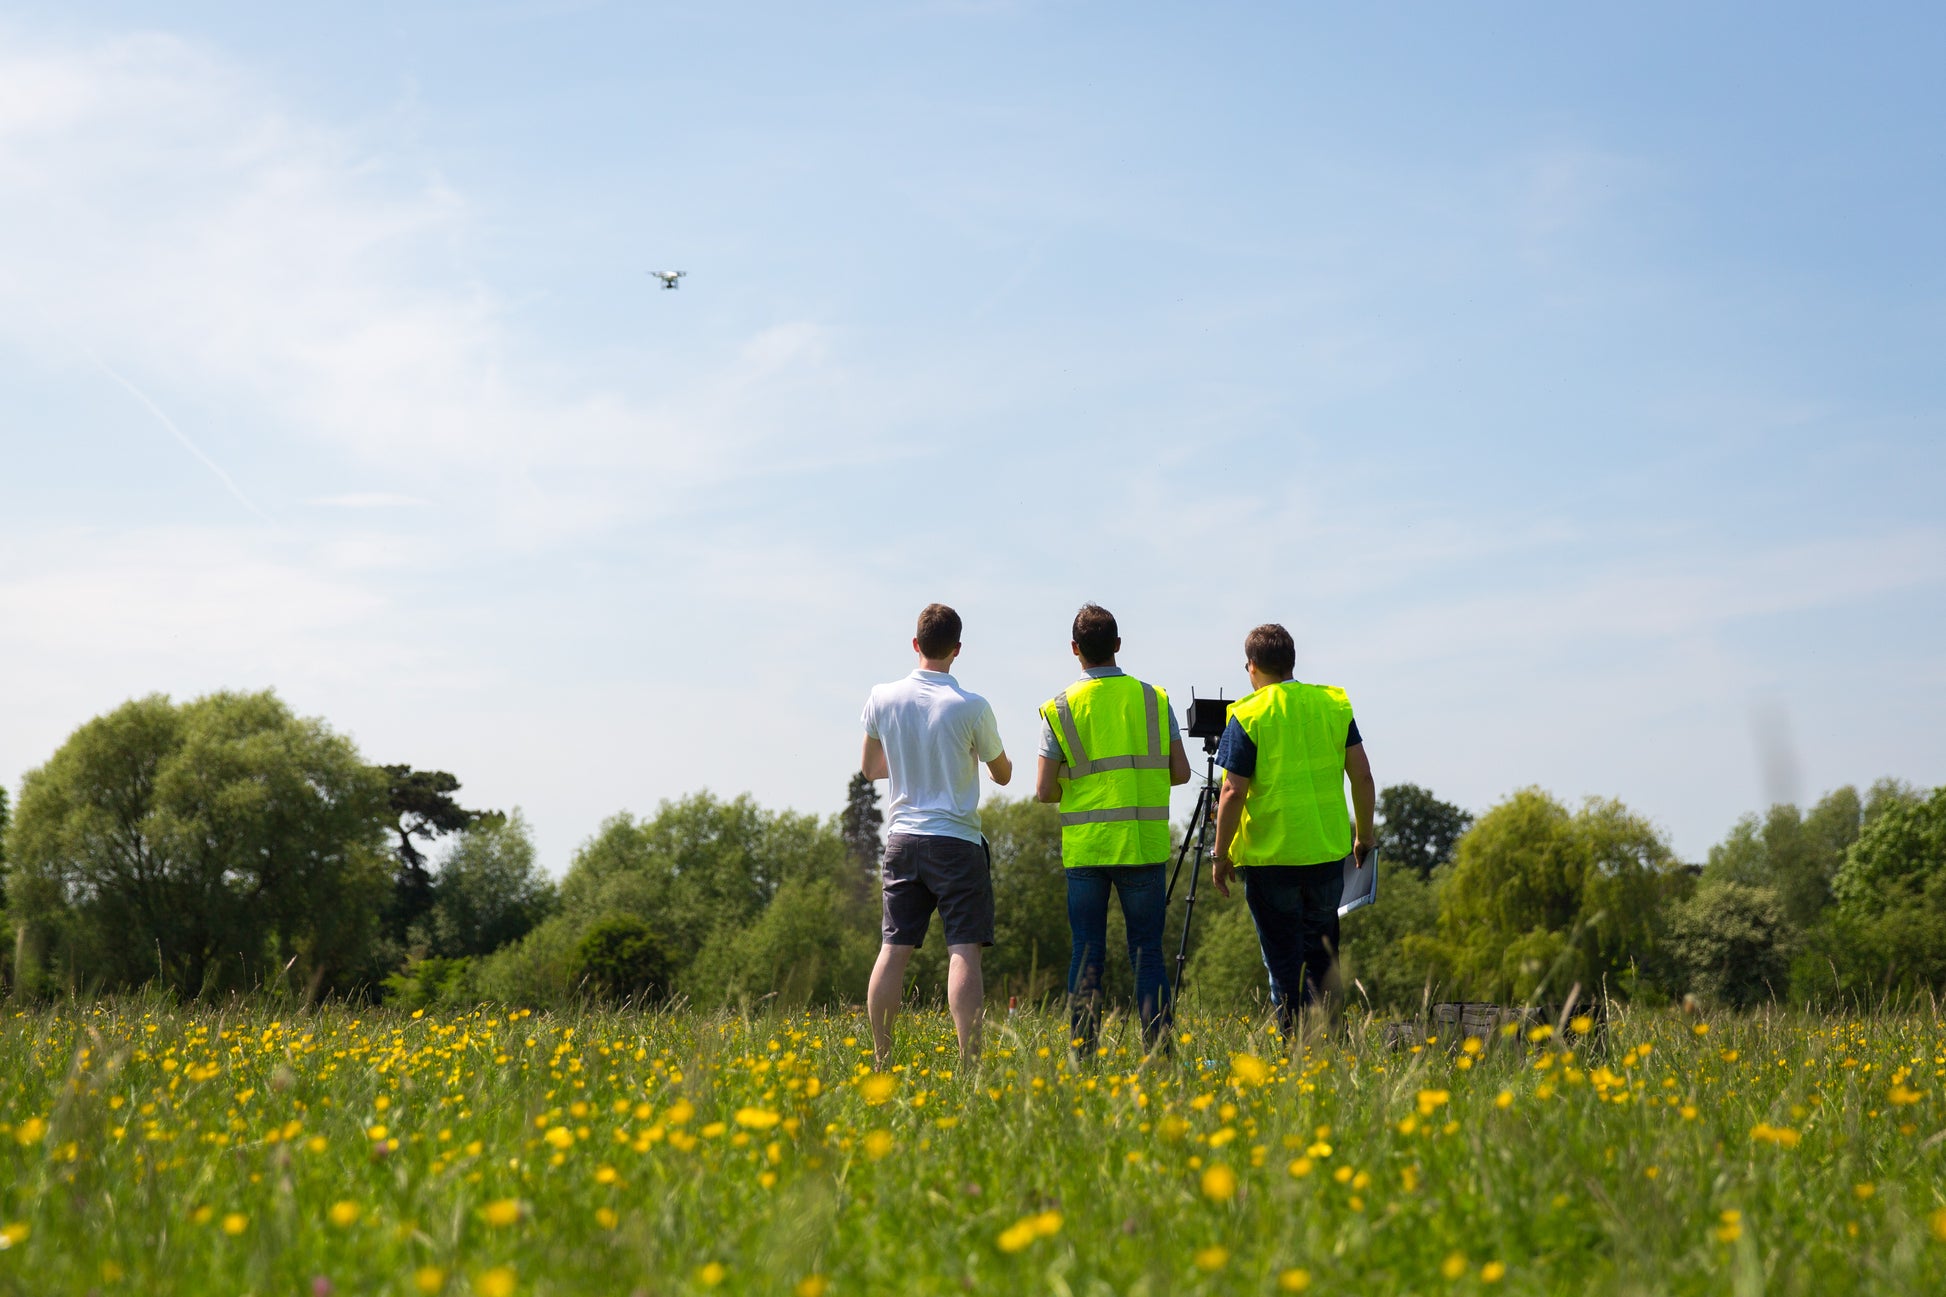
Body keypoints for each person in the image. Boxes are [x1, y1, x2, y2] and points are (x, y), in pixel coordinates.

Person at [1035, 604, 1192, 1057]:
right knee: (1147, 952)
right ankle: (1160, 1055)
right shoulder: (1154, 699)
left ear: (1074, 650)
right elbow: (1181, 773)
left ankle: (1083, 1058)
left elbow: (1044, 791)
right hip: (1142, 846)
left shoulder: (1060, 708)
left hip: (1086, 852)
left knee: (1087, 952)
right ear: (1118, 645)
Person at [860, 603, 1012, 1068]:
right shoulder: (972, 705)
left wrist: (910, 763)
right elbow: (1002, 774)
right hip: (957, 843)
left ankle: (882, 1058)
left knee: (893, 948)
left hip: (902, 840)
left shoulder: (882, 697)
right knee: (963, 949)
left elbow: (870, 769)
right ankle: (970, 1062)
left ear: (915, 643)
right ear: (957, 650)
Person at [1209, 622, 1375, 1034]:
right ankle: (1329, 1052)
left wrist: (1220, 854)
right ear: (1291, 661)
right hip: (1325, 855)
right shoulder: (1332, 705)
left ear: (1252, 667)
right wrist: (1364, 837)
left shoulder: (1248, 714)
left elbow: (1231, 791)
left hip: (1271, 862)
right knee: (1324, 962)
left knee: (1284, 966)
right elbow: (1363, 776)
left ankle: (1295, 1055)